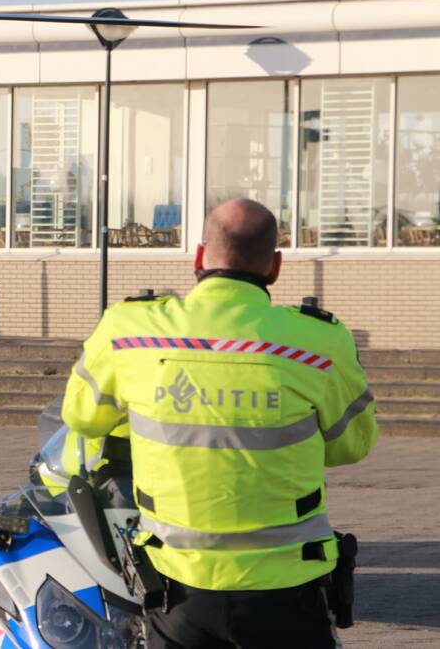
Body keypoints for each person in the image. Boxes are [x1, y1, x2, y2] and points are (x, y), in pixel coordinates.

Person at [61, 198, 377, 648]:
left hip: (177, 589)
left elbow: (81, 418)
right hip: (289, 589)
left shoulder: (128, 332)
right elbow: (353, 446)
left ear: (198, 257)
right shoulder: (320, 344)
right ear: (275, 267)